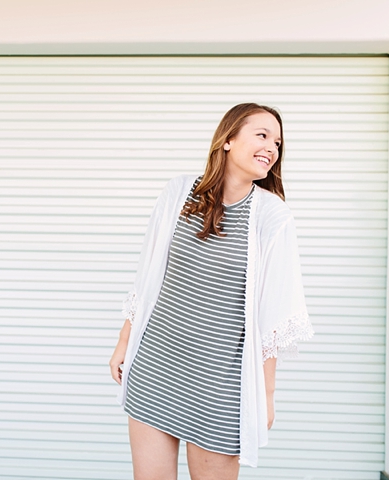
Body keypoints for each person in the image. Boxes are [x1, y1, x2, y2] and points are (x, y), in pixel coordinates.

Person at [109, 103, 314, 480]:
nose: (272, 147)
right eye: (262, 135)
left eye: (279, 142)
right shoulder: (178, 193)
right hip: (156, 367)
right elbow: (148, 274)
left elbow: (275, 315)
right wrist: (124, 341)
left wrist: (266, 396)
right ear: (228, 140)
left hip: (219, 389)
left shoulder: (272, 217)